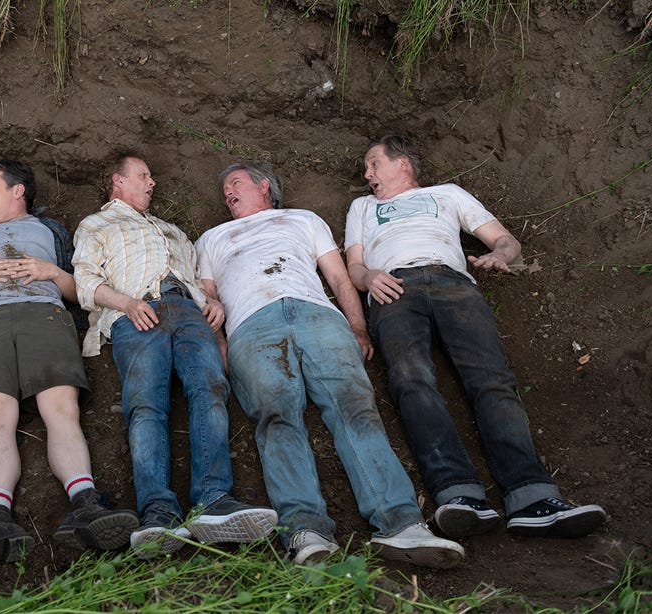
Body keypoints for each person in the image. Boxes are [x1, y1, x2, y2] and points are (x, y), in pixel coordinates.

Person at [194, 162, 464, 568]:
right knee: (276, 415)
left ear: (264, 185)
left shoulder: (303, 219)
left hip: (317, 315)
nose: (227, 192)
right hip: (251, 324)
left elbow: (338, 279)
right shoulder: (211, 238)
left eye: (235, 183)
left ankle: (401, 523)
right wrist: (219, 343)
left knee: (354, 407)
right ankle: (306, 529)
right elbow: (208, 299)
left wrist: (358, 328)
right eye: (224, 190)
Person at [344, 136, 607, 539]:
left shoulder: (447, 194)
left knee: (492, 381)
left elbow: (504, 239)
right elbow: (355, 265)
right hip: (393, 287)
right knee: (411, 380)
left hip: (454, 284)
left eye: (373, 164)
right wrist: (369, 278)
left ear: (403, 164)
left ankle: (532, 496)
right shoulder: (362, 207)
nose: (367, 174)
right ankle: (457, 493)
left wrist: (500, 255)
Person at [0, 159, 137, 572]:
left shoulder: (51, 230)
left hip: (44, 316)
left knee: (62, 411)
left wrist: (51, 271)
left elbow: (80, 291)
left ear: (17, 191)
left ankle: (85, 504)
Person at [73, 155, 277, 559]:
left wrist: (214, 304)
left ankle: (214, 499)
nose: (152, 183)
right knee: (147, 405)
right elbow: (86, 280)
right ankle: (159, 511)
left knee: (211, 390)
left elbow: (200, 280)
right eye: (143, 176)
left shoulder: (174, 231)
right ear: (118, 180)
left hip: (189, 312)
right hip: (137, 311)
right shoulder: (96, 224)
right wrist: (127, 303)